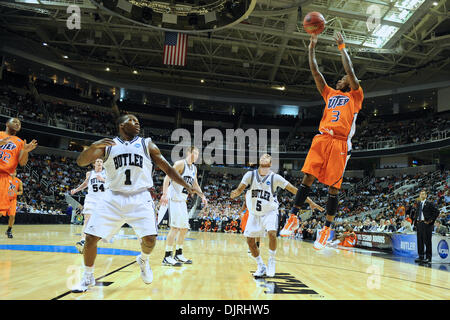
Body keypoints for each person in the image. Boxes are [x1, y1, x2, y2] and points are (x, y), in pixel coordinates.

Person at [71, 114, 202, 292]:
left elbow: (168, 168)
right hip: (112, 197)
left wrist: (187, 185)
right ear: (121, 125)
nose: (137, 123)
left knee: (150, 239)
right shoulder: (108, 146)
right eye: (132, 120)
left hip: (140, 197)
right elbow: (81, 161)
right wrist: (95, 146)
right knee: (90, 237)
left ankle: (143, 259)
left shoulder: (147, 144)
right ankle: (87, 276)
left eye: (138, 121)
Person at [289, 32, 364, 250]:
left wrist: (342, 47)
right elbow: (315, 71)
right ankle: (293, 216)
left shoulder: (356, 96)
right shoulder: (330, 93)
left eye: (344, 78)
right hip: (323, 138)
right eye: (341, 78)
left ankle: (327, 229)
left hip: (341, 143)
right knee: (307, 178)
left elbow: (350, 71)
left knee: (333, 188)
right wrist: (312, 47)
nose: (341, 78)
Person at [230, 154, 323, 278]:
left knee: (272, 233)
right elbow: (240, 189)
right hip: (254, 213)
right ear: (259, 161)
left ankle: (271, 260)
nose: (264, 157)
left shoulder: (275, 177)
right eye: (263, 156)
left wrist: (310, 202)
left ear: (270, 163)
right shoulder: (250, 175)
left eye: (268, 156)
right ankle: (261, 265)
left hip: (270, 211)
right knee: (250, 241)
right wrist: (235, 193)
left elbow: (295, 190)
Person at [159, 146, 207, 266]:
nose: (196, 155)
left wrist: (202, 196)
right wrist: (164, 194)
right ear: (188, 152)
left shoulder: (194, 168)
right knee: (174, 228)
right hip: (173, 199)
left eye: (197, 153)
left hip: (182, 201)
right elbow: (166, 178)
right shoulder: (180, 164)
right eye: (194, 152)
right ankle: (167, 256)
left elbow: (195, 184)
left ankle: (178, 254)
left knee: (184, 228)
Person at [0, 118, 37, 238]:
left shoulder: (20, 142)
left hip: (4, 177)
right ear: (7, 123)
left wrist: (25, 151)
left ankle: (9, 230)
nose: (17, 123)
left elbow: (22, 163)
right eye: (14, 121)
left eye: (19, 123)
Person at [70, 158, 107, 253]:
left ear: (103, 164)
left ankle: (91, 241)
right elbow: (85, 184)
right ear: (94, 164)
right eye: (97, 162)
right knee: (87, 219)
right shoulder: (89, 174)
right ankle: (82, 240)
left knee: (99, 224)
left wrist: (103, 180)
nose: (99, 163)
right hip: (91, 199)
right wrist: (76, 190)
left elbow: (112, 185)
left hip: (103, 201)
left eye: (101, 162)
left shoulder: (107, 173)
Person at [412, 189, 440, 264]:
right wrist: (415, 223)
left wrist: (430, 221)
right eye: (421, 194)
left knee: (427, 241)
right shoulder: (418, 204)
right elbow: (417, 214)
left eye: (423, 194)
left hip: (427, 224)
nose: (422, 195)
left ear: (426, 195)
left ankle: (428, 257)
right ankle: (421, 256)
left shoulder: (429, 203)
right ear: (419, 195)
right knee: (420, 241)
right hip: (419, 224)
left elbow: (437, 212)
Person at [4, 171, 23, 238]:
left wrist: (16, 193)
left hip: (13, 200)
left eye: (14, 172)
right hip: (4, 199)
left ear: (16, 173)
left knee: (12, 216)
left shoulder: (19, 181)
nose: (12, 173)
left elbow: (21, 192)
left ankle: (9, 230)